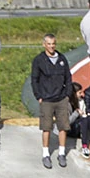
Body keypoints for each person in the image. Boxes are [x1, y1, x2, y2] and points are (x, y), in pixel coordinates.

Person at [31, 34, 72, 169]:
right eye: (49, 44)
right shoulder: (39, 60)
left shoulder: (62, 59)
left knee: (63, 126)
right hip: (47, 100)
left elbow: (68, 77)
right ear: (44, 45)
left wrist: (67, 94)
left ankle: (61, 153)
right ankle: (45, 154)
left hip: (61, 99)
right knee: (46, 127)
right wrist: (39, 96)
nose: (52, 46)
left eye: (53, 43)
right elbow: (34, 80)